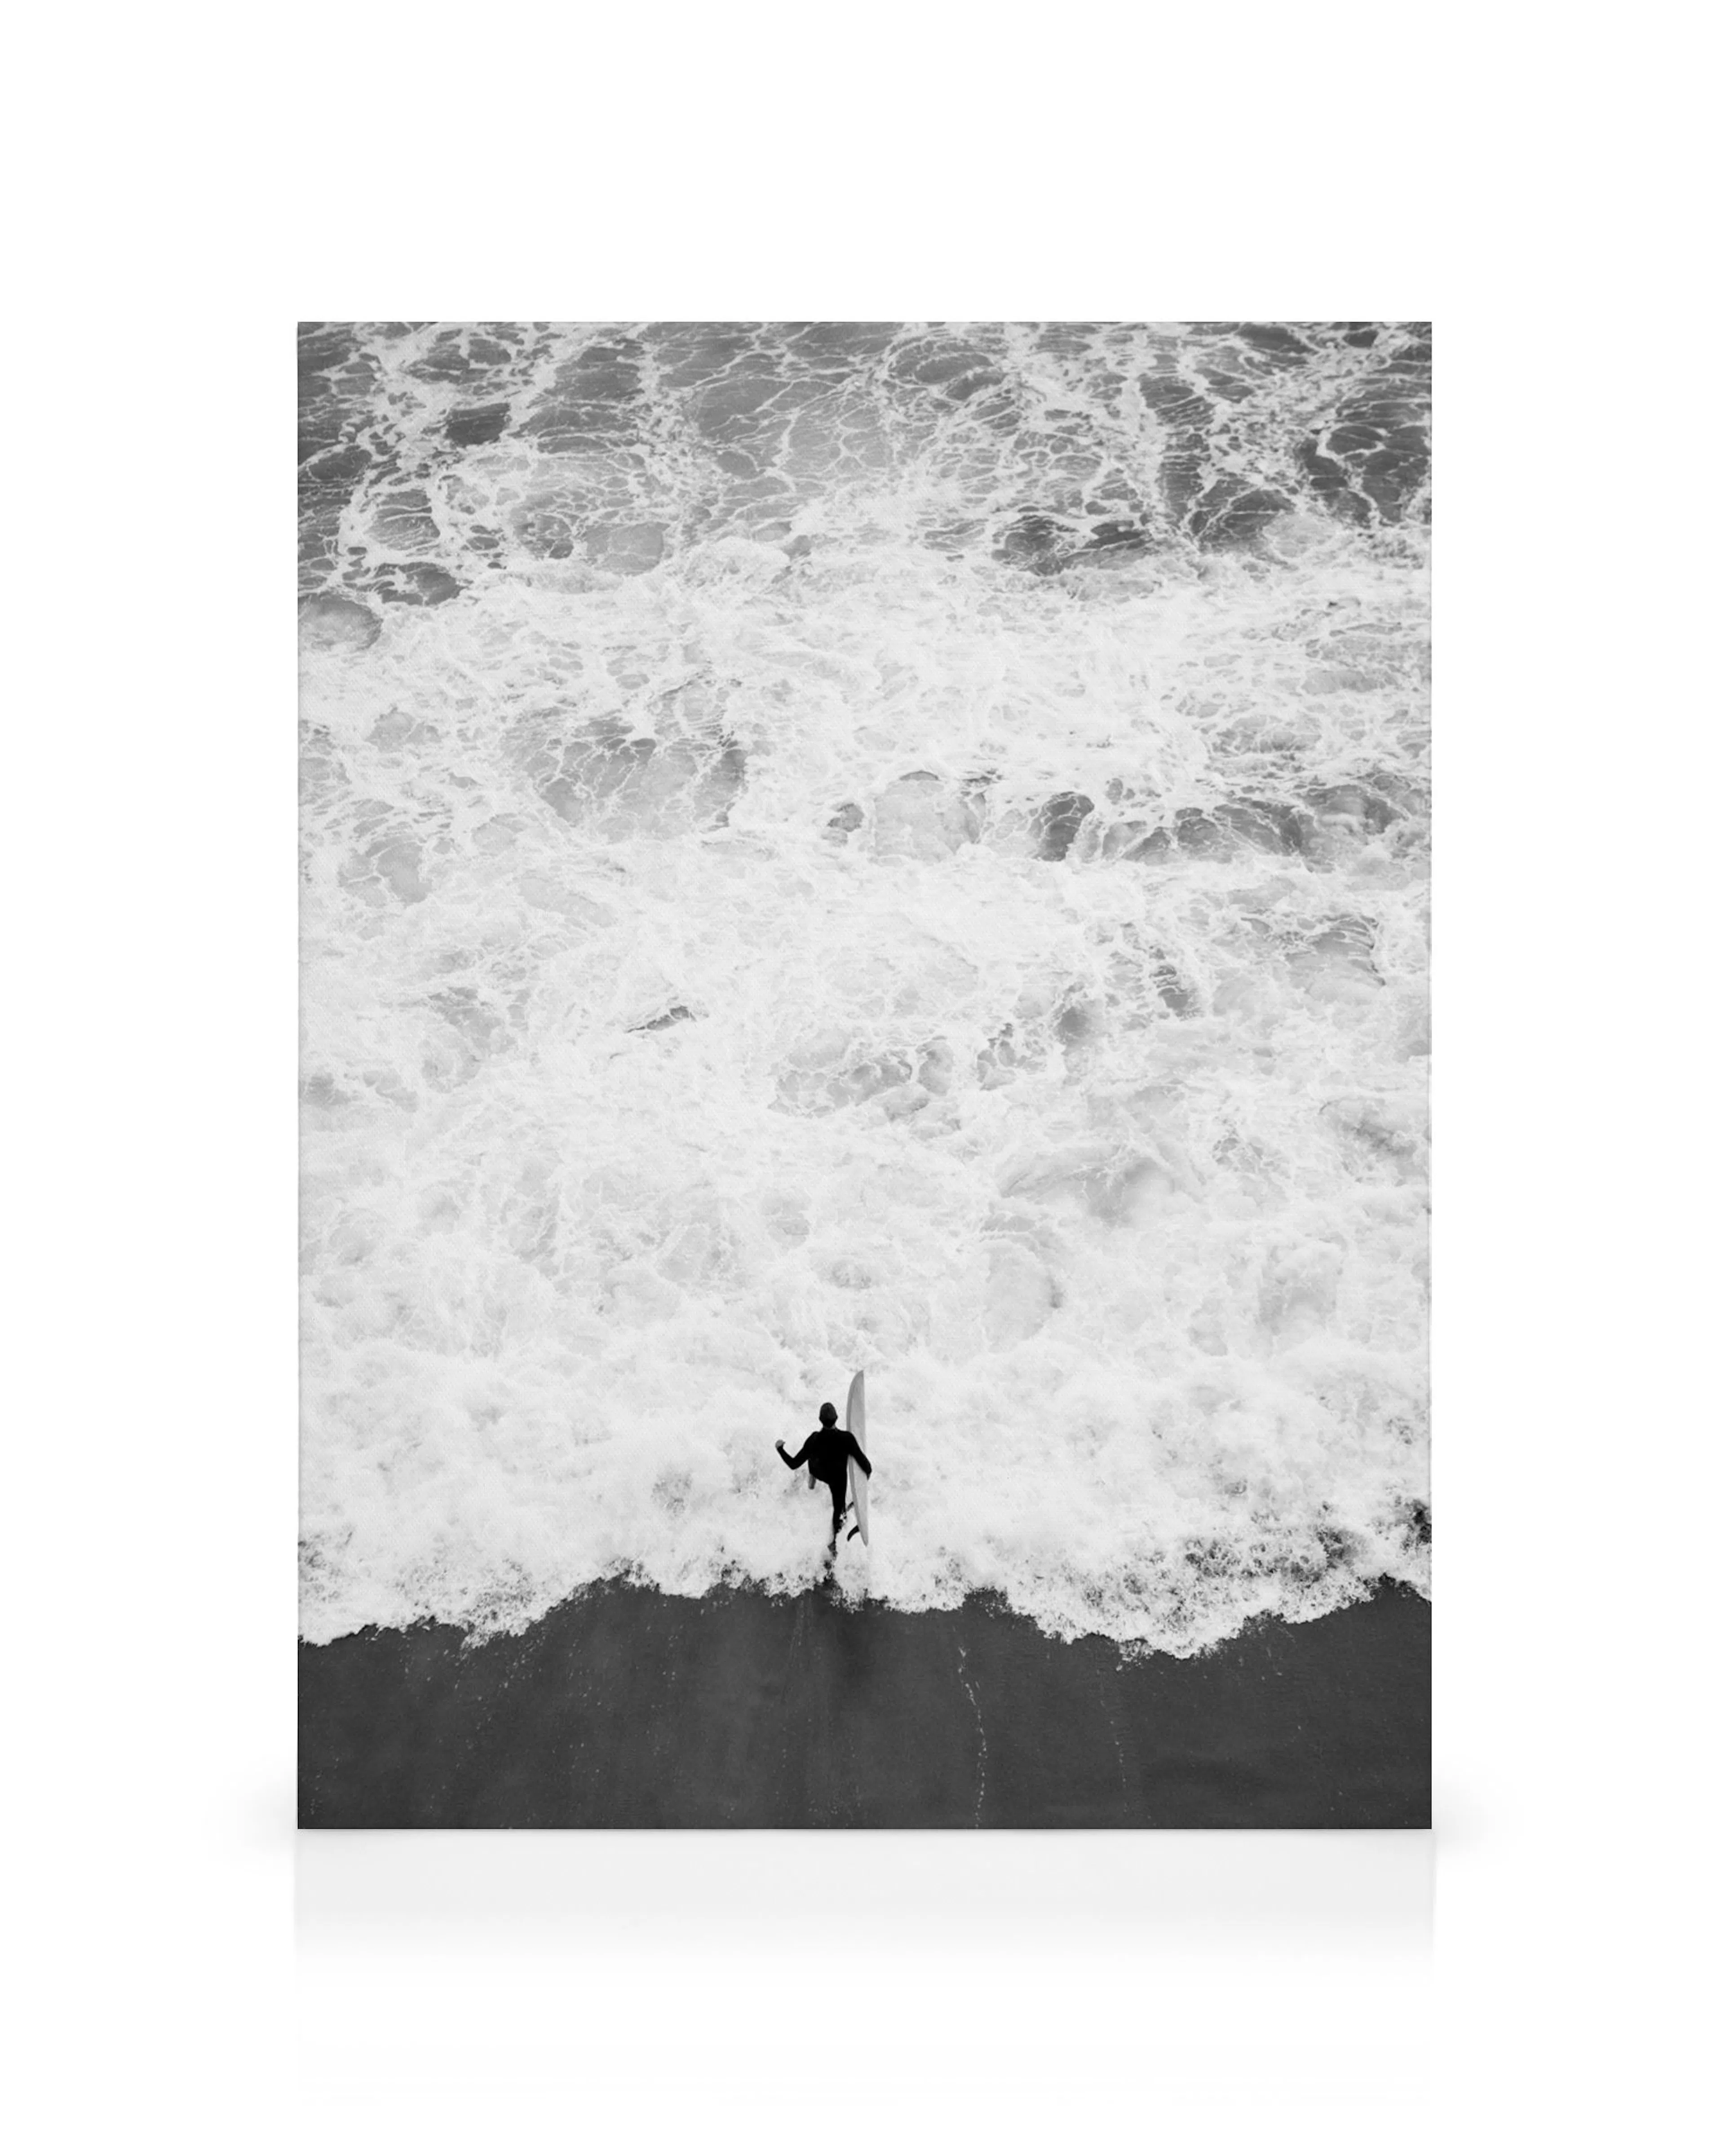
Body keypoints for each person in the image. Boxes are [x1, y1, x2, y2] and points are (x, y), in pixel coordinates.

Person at [777, 1402, 871, 1552]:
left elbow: (794, 1464)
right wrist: (864, 1482)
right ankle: (834, 1543)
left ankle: (812, 1479)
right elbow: (866, 1466)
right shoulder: (847, 1439)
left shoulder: (814, 1439)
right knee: (839, 1511)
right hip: (837, 1480)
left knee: (812, 1455)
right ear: (837, 1418)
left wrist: (780, 1449)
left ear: (820, 1420)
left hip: (819, 1472)